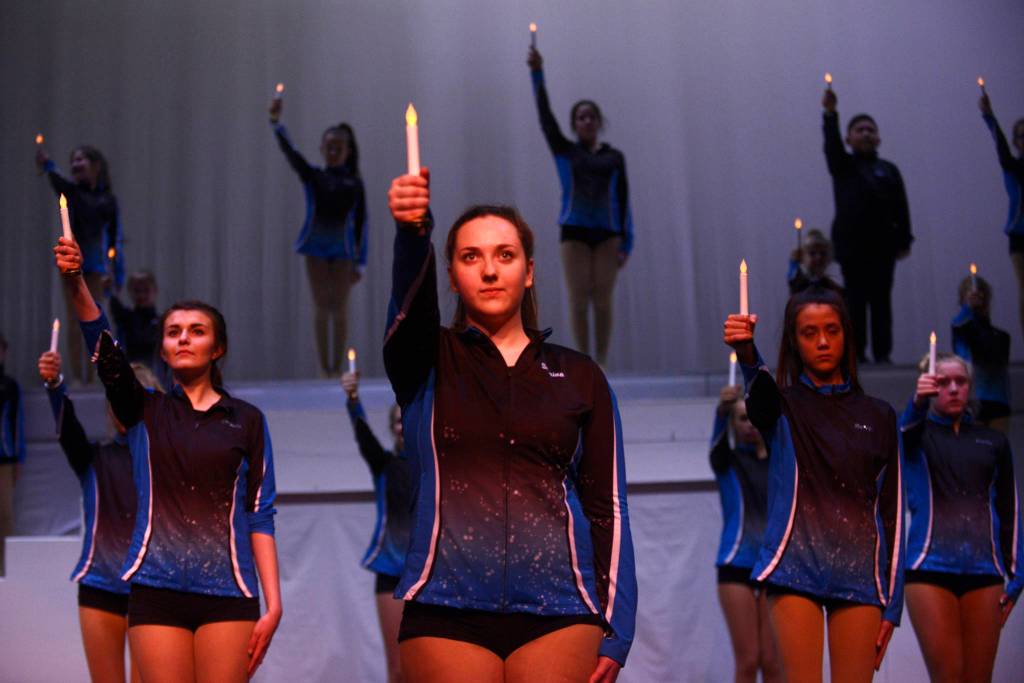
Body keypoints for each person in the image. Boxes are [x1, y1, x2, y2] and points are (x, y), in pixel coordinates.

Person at [385, 168, 637, 683]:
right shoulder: (426, 359)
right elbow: (408, 307)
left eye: (505, 255)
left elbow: (607, 506)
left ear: (529, 271)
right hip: (444, 606)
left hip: (561, 608)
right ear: (451, 276)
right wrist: (412, 233)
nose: (489, 270)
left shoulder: (580, 376)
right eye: (470, 257)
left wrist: (619, 626)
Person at [54, 236, 282, 683]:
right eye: (174, 332)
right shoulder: (144, 409)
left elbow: (260, 513)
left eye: (197, 330)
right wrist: (77, 281)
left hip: (229, 591)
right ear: (162, 350)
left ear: (218, 348)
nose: (183, 338)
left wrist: (274, 604)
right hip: (155, 590)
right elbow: (102, 347)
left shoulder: (247, 420)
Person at [723, 284, 904, 683]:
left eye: (831, 330)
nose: (822, 341)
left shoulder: (880, 416)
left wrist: (893, 604)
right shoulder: (782, 407)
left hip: (860, 574)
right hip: (794, 568)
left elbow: (891, 512)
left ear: (846, 335)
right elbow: (761, 398)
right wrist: (748, 354)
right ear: (794, 341)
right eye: (809, 332)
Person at [38, 349, 162, 683]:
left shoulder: (166, 462)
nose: (123, 406)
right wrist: (55, 384)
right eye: (116, 399)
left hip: (151, 590)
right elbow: (67, 428)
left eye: (132, 398)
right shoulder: (94, 459)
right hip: (100, 588)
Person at [900, 352, 1021, 683]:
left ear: (970, 386)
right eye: (943, 382)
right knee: (948, 676)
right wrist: (917, 403)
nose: (953, 389)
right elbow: (901, 434)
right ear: (930, 386)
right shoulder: (916, 434)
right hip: (929, 568)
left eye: (961, 382)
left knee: (978, 677)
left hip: (985, 571)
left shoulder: (993, 441)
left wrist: (1017, 574)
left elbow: (1008, 508)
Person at [527, 47, 634, 367]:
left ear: (599, 122)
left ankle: (600, 363)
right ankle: (583, 362)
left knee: (602, 300)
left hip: (607, 235)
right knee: (577, 300)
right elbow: (545, 118)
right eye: (581, 117)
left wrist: (627, 242)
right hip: (573, 232)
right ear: (574, 124)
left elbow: (624, 200)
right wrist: (537, 73)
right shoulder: (565, 151)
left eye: (591, 117)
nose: (587, 121)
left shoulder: (614, 158)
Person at [269, 96, 367, 376]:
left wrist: (361, 262)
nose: (334, 151)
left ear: (347, 151)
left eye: (339, 147)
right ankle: (326, 370)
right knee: (322, 307)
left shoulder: (354, 183)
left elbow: (362, 224)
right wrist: (276, 123)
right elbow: (292, 154)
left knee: (340, 308)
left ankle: (338, 368)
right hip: (315, 245)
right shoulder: (313, 176)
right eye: (329, 147)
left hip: (343, 249)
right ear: (322, 149)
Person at [822, 87, 912, 364]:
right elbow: (831, 146)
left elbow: (901, 206)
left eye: (870, 130)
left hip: (883, 247)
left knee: (881, 301)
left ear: (878, 138)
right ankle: (857, 354)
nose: (865, 133)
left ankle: (883, 355)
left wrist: (905, 240)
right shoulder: (843, 166)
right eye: (859, 130)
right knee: (855, 301)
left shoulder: (889, 169)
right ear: (848, 138)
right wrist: (830, 114)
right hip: (852, 248)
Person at [341, 370, 414, 683]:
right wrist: (353, 400)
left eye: (407, 419)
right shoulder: (385, 466)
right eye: (397, 421)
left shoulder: (435, 467)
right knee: (398, 669)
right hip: (392, 571)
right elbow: (364, 437)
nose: (402, 426)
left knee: (429, 668)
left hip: (430, 573)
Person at [710, 385, 782, 683]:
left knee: (773, 662)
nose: (749, 424)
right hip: (735, 566)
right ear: (733, 424)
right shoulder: (727, 462)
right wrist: (720, 412)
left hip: (771, 567)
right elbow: (716, 446)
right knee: (749, 660)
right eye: (741, 418)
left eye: (753, 417)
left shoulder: (779, 463)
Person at [36, 143, 124, 383]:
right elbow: (57, 180)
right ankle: (78, 377)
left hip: (96, 268)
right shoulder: (72, 192)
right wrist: (47, 164)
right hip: (72, 267)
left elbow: (114, 238)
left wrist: (115, 272)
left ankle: (95, 376)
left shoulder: (107, 200)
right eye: (73, 161)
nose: (75, 164)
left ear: (96, 166)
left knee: (96, 320)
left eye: (80, 159)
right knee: (75, 322)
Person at [978, 92, 1024, 339]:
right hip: (1019, 234)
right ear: (1016, 142)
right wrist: (989, 115)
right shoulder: (1012, 165)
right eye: (1022, 136)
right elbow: (1000, 143)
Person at [951, 274, 1011, 432]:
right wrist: (968, 310)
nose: (976, 300)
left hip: (997, 401)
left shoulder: (1001, 337)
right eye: (970, 296)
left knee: (998, 444)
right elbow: (959, 326)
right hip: (973, 400)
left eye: (981, 296)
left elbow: (990, 354)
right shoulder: (961, 331)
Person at [0, 332, 26, 574]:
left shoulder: (10, 386)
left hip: (5, 459)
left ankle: (5, 569)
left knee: (5, 514)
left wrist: (19, 458)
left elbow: (18, 423)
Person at [787, 229, 839, 295]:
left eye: (822, 253)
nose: (818, 257)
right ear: (802, 257)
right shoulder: (799, 283)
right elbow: (792, 279)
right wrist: (793, 263)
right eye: (812, 253)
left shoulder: (832, 287)